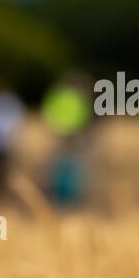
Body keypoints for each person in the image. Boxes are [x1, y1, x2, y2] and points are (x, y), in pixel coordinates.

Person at [41, 72, 94, 206]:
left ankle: (61, 196)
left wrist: (56, 128)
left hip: (60, 134)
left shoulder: (57, 96)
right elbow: (84, 117)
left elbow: (48, 114)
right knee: (72, 167)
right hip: (73, 136)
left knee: (61, 166)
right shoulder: (78, 98)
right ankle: (71, 198)